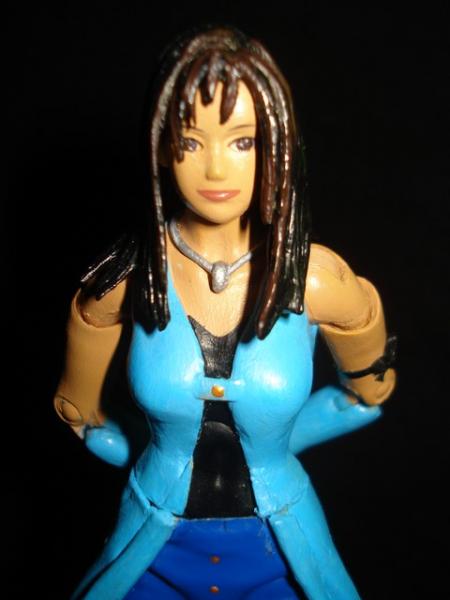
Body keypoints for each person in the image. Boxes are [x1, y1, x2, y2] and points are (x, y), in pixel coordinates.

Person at [54, 25, 397, 600]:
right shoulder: (124, 281)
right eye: (191, 143)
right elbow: (78, 413)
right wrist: (136, 447)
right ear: (161, 146)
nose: (216, 171)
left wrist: (282, 441)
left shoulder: (317, 280)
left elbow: (367, 394)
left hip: (279, 550)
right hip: (152, 549)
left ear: (277, 145)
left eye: (243, 142)